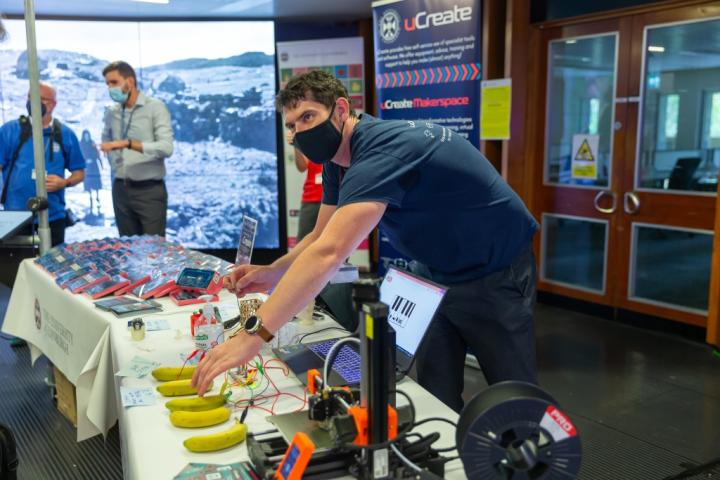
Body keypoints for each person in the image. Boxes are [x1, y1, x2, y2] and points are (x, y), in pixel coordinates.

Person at [192, 71, 539, 413]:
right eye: (292, 125)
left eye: (308, 116)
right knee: (436, 394)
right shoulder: (337, 160)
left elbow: (330, 253)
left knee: (514, 395)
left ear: (341, 109)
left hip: (495, 269)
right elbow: (319, 236)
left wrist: (252, 337)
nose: (298, 132)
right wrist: (272, 272)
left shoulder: (381, 149)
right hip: (435, 272)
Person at [0, 82, 85, 247]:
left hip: (53, 214)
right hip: (15, 215)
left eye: (41, 99)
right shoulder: (9, 130)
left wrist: (65, 182)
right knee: (14, 267)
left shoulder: (65, 134)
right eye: (31, 97)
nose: (34, 103)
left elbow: (80, 172)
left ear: (53, 104)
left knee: (52, 267)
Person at [100, 60, 174, 237]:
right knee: (127, 250)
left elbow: (166, 148)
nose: (110, 88)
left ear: (130, 81)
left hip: (149, 190)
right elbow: (106, 141)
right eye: (107, 84)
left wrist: (128, 144)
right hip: (120, 189)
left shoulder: (155, 107)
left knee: (153, 252)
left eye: (114, 82)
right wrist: (117, 166)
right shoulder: (112, 112)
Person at [287, 130, 322, 243]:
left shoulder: (338, 133)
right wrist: (296, 145)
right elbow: (302, 167)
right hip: (312, 198)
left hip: (336, 198)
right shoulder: (309, 137)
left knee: (336, 245)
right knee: (302, 243)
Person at [79, 129, 104, 215]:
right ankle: (90, 196)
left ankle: (97, 196)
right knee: (88, 182)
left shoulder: (92, 143)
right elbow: (80, 154)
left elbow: (97, 153)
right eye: (85, 136)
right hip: (87, 166)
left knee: (95, 181)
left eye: (87, 135)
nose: (87, 137)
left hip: (94, 165)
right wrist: (85, 161)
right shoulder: (81, 144)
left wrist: (95, 160)